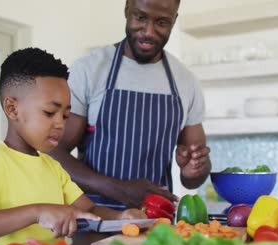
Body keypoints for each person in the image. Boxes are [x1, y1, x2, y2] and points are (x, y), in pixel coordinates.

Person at [0, 48, 144, 245]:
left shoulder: (53, 167)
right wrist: (37, 212)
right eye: (49, 112)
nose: (60, 124)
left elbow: (89, 209)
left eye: (65, 115)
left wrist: (121, 217)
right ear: (12, 109)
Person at [50, 0, 211, 210]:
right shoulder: (89, 70)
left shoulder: (186, 81)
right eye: (140, 18)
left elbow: (193, 178)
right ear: (127, 10)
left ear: (174, 20)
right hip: (94, 221)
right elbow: (52, 153)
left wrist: (195, 170)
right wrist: (119, 189)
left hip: (157, 225)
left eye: (162, 22)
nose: (149, 32)